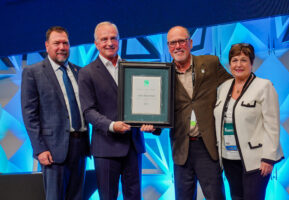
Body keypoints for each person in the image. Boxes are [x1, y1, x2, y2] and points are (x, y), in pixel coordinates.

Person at [78, 21, 159, 200]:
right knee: (108, 197)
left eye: (113, 38)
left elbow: (147, 102)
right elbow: (88, 111)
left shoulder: (134, 68)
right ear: (96, 44)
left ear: (119, 40)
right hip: (106, 148)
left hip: (133, 145)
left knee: (134, 196)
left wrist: (153, 122)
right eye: (104, 39)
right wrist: (112, 125)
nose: (109, 43)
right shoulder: (87, 73)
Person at [21, 26, 89, 200]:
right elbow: (30, 115)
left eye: (65, 43)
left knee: (77, 196)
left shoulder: (79, 71)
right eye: (56, 43)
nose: (61, 47)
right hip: (52, 149)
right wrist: (40, 149)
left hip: (80, 146)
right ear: (47, 46)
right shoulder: (33, 72)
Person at [166, 26, 231, 200]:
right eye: (173, 43)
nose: (178, 46)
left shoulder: (210, 63)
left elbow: (232, 87)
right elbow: (158, 107)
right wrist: (151, 124)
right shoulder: (164, 74)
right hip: (181, 147)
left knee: (216, 196)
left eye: (182, 41)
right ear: (168, 46)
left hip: (207, 146)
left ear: (190, 43)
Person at [214, 43, 284, 200]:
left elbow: (272, 125)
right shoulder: (223, 87)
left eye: (244, 60)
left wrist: (268, 158)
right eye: (234, 60)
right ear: (229, 64)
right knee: (236, 197)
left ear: (251, 63)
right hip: (229, 158)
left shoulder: (264, 86)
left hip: (257, 160)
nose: (239, 65)